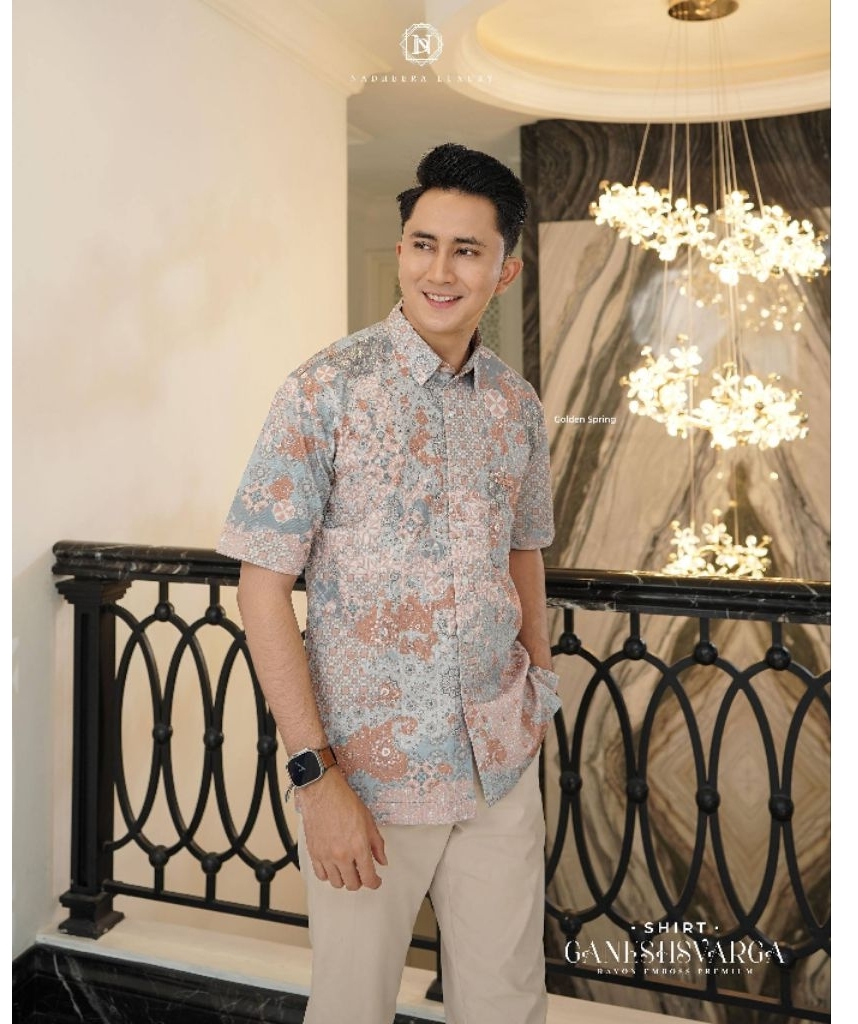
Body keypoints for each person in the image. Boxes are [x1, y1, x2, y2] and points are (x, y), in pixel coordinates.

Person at [217, 142, 561, 1024]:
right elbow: (262, 588)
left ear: (505, 271)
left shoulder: (517, 405)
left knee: (508, 1005)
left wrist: (539, 683)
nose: (439, 271)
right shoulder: (323, 391)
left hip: (500, 764)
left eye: (466, 250)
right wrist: (315, 778)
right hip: (368, 780)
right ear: (402, 249)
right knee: (351, 1009)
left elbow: (524, 552)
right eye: (422, 244)